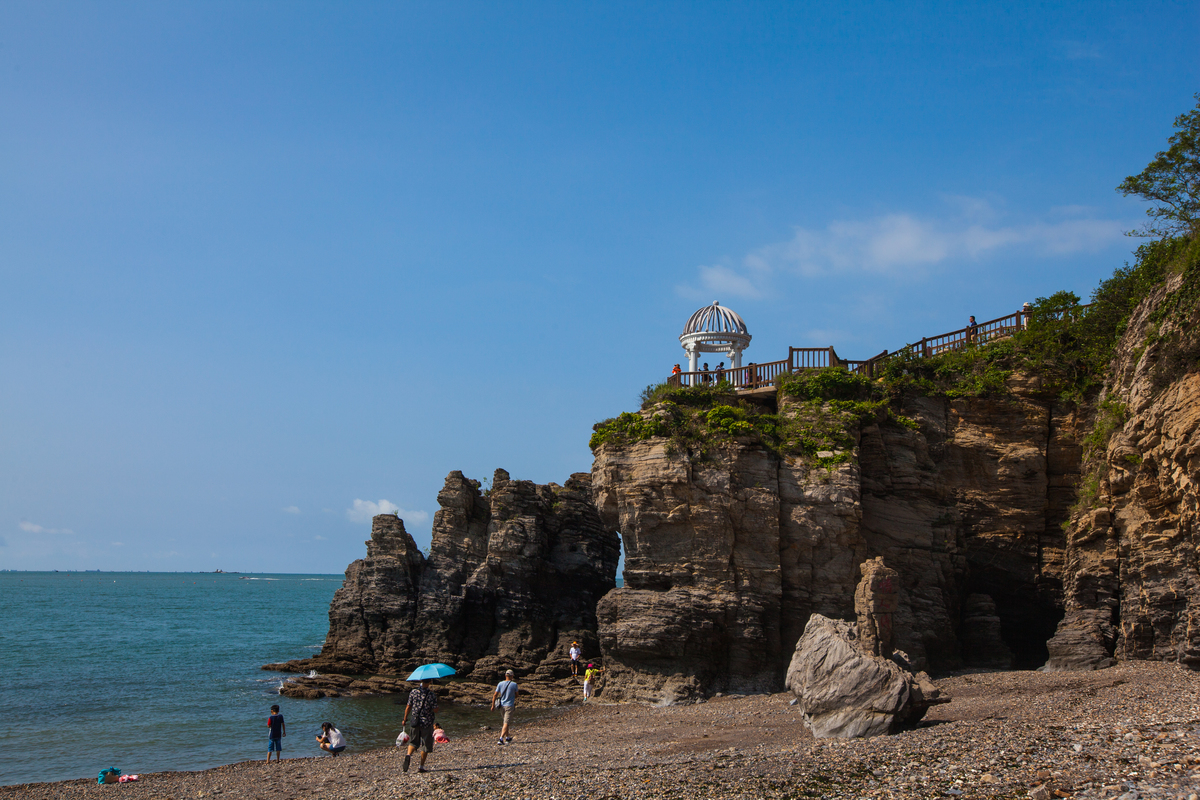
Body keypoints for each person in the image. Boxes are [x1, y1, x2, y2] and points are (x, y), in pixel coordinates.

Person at [401, 678, 439, 774]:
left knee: (413, 742)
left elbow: (408, 706)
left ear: (421, 681)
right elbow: (435, 710)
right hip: (427, 723)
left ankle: (409, 755)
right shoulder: (431, 695)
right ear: (430, 681)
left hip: (415, 721)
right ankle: (421, 766)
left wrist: (405, 719)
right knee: (425, 744)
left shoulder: (414, 692)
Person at [491, 669, 519, 745]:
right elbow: (517, 695)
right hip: (509, 706)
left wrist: (493, 705)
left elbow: (495, 695)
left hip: (501, 706)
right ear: (512, 676)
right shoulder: (514, 684)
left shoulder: (500, 684)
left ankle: (507, 737)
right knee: (506, 723)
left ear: (505, 675)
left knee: (505, 722)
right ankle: (501, 738)